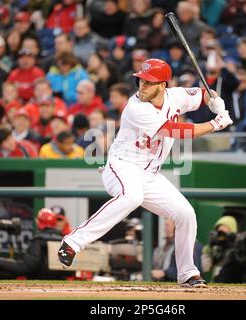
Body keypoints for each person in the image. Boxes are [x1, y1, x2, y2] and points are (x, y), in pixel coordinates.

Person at [57, 58, 233, 288]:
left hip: (150, 174)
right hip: (121, 165)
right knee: (132, 197)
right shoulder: (136, 108)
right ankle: (72, 242)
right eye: (141, 80)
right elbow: (176, 131)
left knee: (186, 214)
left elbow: (202, 93)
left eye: (149, 82)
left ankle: (188, 273)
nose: (142, 86)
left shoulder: (176, 96)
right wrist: (216, 123)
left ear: (163, 86)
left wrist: (214, 100)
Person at [0, 208, 73, 280]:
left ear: (38, 222)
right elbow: (71, 269)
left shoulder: (38, 240)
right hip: (60, 284)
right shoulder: (64, 240)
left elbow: (26, 268)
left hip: (38, 283)